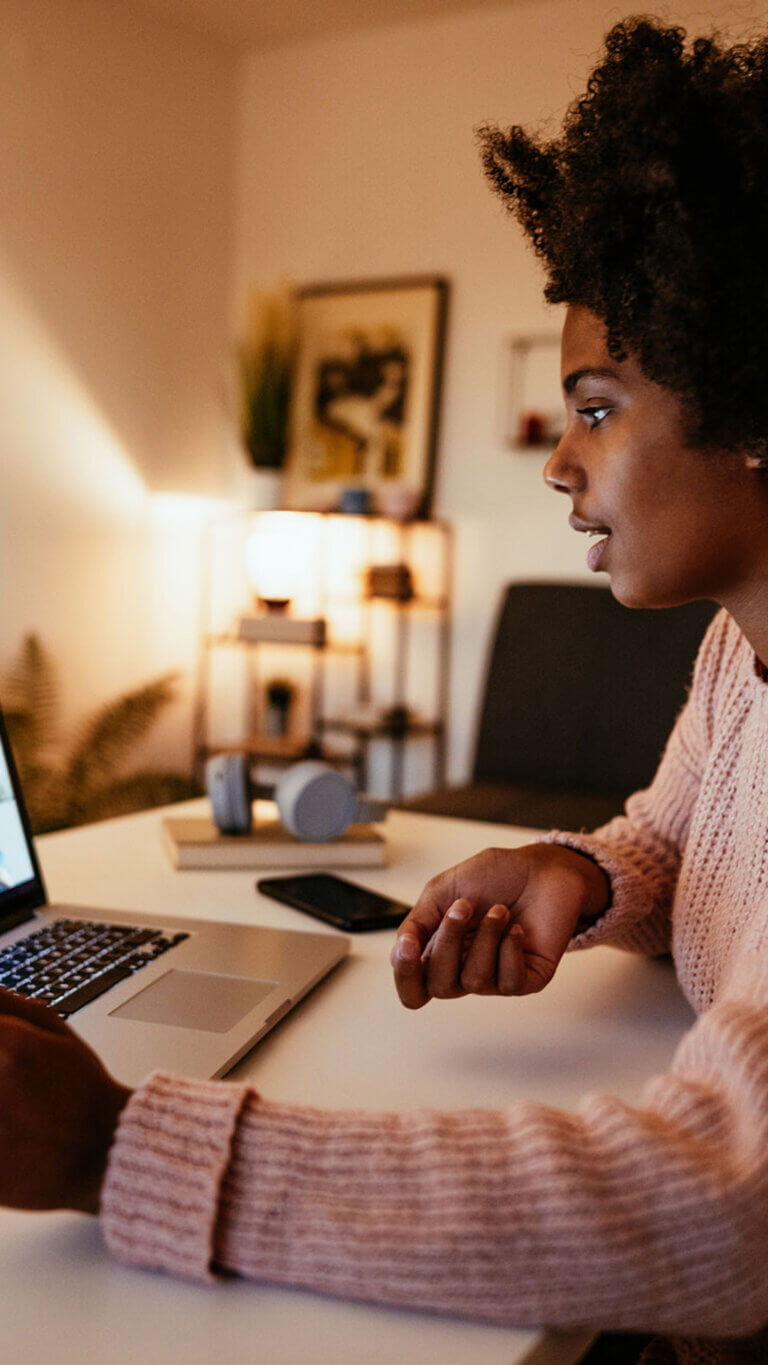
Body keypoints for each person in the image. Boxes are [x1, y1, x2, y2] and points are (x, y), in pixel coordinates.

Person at [2, 16, 768, 1364]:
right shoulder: (736, 653)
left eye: (595, 407)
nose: (556, 463)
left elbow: (719, 1203)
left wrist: (117, 1146)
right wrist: (576, 871)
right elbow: (672, 835)